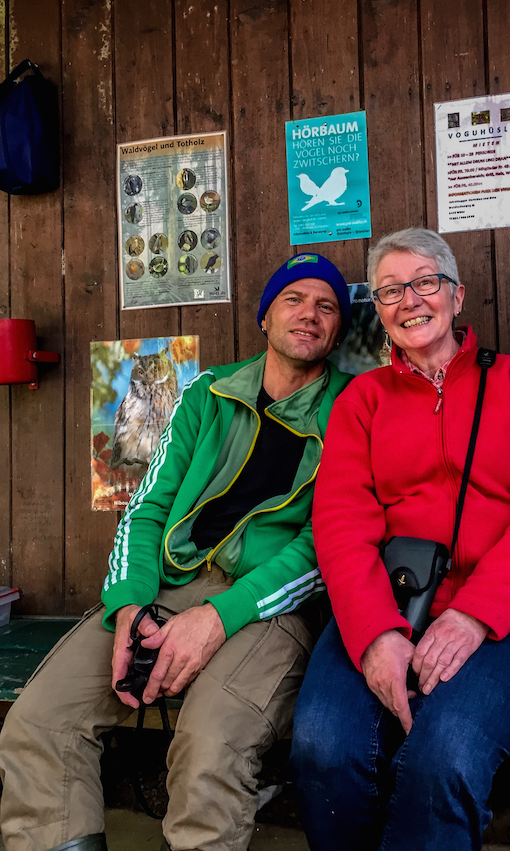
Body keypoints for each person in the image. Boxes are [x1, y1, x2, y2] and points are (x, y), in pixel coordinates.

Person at [0, 252, 353, 851]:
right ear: (265, 317)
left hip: (269, 605)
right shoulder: (207, 393)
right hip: (166, 588)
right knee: (39, 723)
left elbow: (327, 546)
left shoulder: (354, 407)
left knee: (209, 750)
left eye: (327, 307)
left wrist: (219, 617)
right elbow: (146, 509)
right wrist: (128, 605)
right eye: (293, 299)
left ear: (339, 330)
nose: (309, 314)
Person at [291, 228, 510, 851]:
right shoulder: (363, 401)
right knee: (322, 747)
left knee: (441, 758)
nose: (410, 300)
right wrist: (375, 633)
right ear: (379, 310)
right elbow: (340, 524)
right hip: (389, 601)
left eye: (425, 282)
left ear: (457, 295)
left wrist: (475, 615)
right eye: (391, 290)